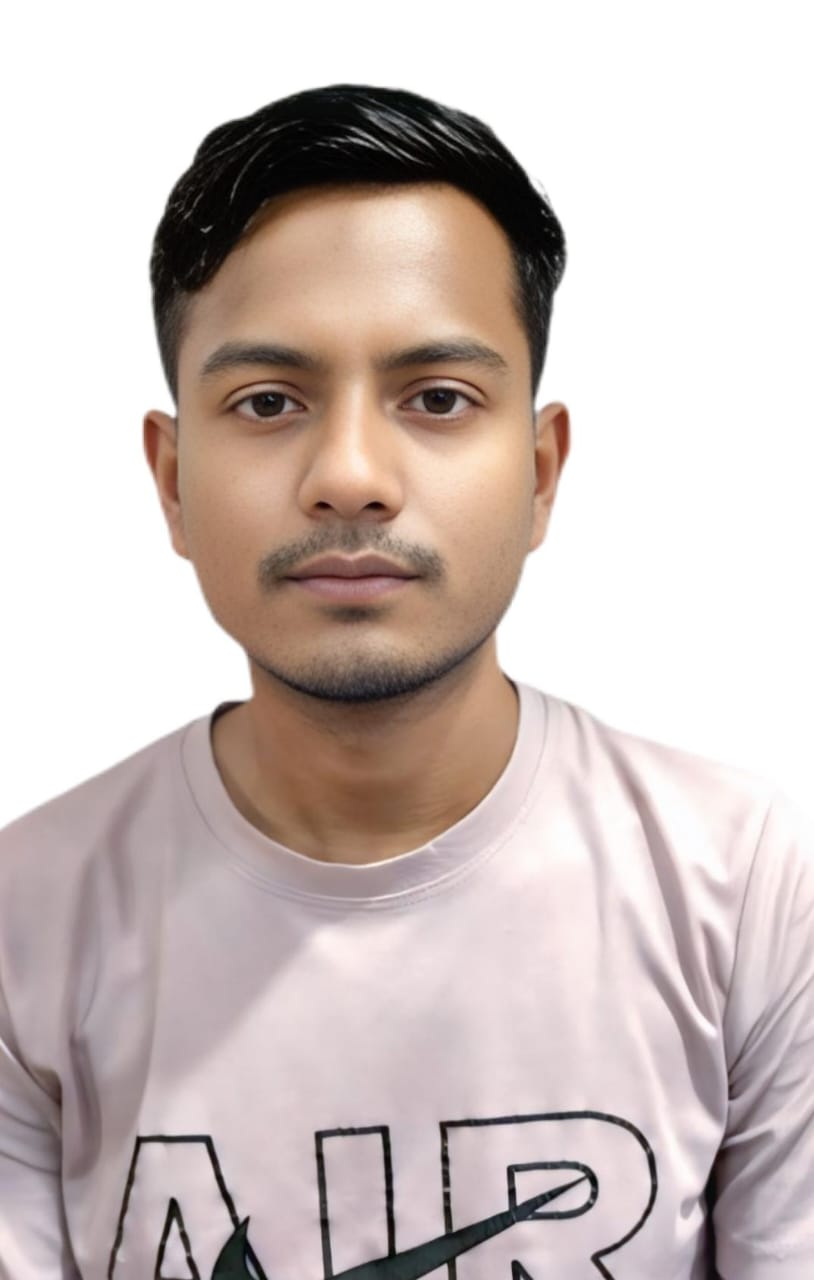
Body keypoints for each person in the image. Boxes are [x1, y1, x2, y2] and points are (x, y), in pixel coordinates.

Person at [0, 82, 811, 1280]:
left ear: (540, 472)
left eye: (436, 398)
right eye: (268, 401)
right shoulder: (26, 918)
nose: (350, 474)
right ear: (171, 481)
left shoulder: (746, 885)